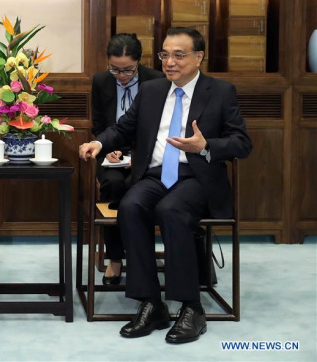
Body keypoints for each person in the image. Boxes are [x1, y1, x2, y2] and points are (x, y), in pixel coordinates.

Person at [79, 27, 252, 344]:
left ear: (198, 57)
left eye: (178, 55)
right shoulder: (153, 90)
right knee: (130, 207)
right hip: (156, 174)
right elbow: (122, 128)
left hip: (196, 176)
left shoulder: (221, 91)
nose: (169, 62)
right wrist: (98, 143)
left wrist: (205, 146)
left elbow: (242, 143)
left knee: (171, 210)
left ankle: (191, 307)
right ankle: (151, 303)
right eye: (164, 54)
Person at [91, 33, 164, 285]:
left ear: (139, 62)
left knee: (136, 187)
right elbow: (99, 125)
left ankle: (138, 257)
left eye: (128, 71)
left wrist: (140, 155)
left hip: (145, 156)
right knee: (112, 185)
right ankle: (115, 258)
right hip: (112, 153)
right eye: (115, 70)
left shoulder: (157, 81)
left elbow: (160, 128)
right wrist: (106, 148)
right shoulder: (100, 82)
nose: (121, 76)